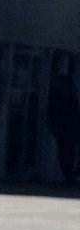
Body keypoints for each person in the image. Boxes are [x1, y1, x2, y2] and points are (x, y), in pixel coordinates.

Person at [48, 55, 80, 185]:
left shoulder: (62, 88)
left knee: (66, 152)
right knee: (67, 152)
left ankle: (70, 174)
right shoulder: (65, 89)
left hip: (67, 126)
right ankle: (70, 174)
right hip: (67, 126)